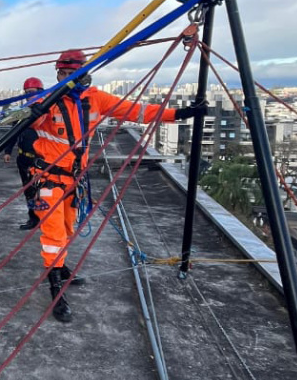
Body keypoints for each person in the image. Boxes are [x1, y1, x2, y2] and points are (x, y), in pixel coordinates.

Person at [29, 50, 204, 322]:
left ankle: (61, 269)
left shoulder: (96, 99)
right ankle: (56, 292)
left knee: (66, 228)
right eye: (62, 74)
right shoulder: (48, 100)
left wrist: (180, 113)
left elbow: (137, 111)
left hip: (73, 180)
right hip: (50, 179)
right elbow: (28, 117)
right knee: (53, 237)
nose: (66, 78)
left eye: (70, 73)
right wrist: (32, 111)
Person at [3, 77, 44, 230]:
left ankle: (45, 218)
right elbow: (13, 133)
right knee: (28, 191)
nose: (28, 95)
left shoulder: (45, 111)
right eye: (26, 92)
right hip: (23, 159)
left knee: (42, 192)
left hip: (40, 160)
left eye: (31, 92)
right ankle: (33, 218)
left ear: (40, 92)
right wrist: (8, 151)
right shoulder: (22, 112)